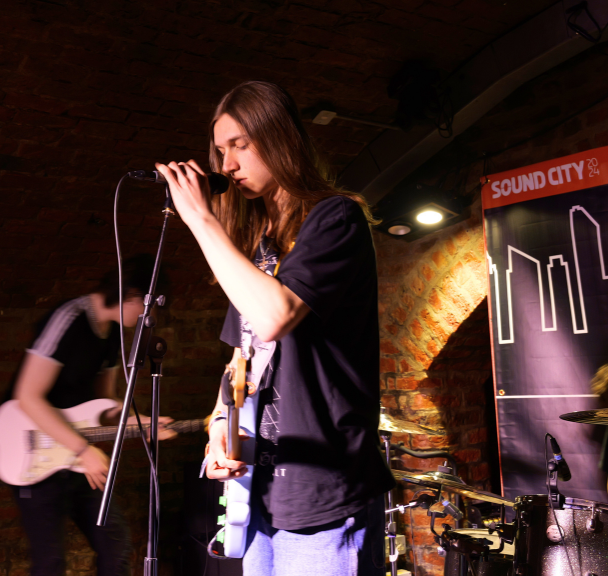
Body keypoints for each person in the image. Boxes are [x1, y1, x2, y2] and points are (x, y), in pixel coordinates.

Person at [156, 81, 395, 576]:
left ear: (281, 138)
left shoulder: (336, 217)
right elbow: (241, 359)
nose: (226, 165)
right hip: (258, 491)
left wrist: (201, 220)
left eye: (240, 144)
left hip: (324, 493)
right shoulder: (259, 246)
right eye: (221, 150)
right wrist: (220, 427)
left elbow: (275, 315)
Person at [5, 255, 175, 576]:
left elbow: (103, 403)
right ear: (134, 294)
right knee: (50, 562)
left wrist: (142, 423)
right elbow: (28, 396)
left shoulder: (112, 334)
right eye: (148, 307)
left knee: (116, 547)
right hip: (32, 451)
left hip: (77, 457)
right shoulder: (69, 318)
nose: (147, 317)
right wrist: (83, 450)